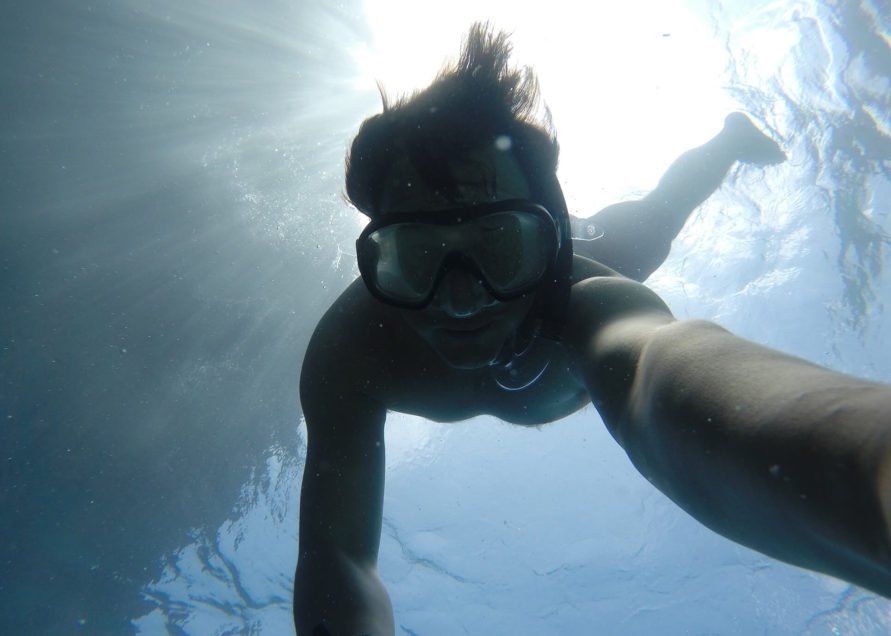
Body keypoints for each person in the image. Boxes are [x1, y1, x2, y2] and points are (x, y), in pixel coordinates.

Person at [294, 23, 891, 636]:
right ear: (377, 259)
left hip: (609, 241)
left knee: (660, 213)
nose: (463, 298)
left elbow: (658, 368)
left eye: (499, 246)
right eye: (418, 256)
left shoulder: (592, 299)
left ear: (549, 240)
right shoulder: (349, 353)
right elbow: (338, 556)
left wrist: (869, 470)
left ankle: (726, 142)